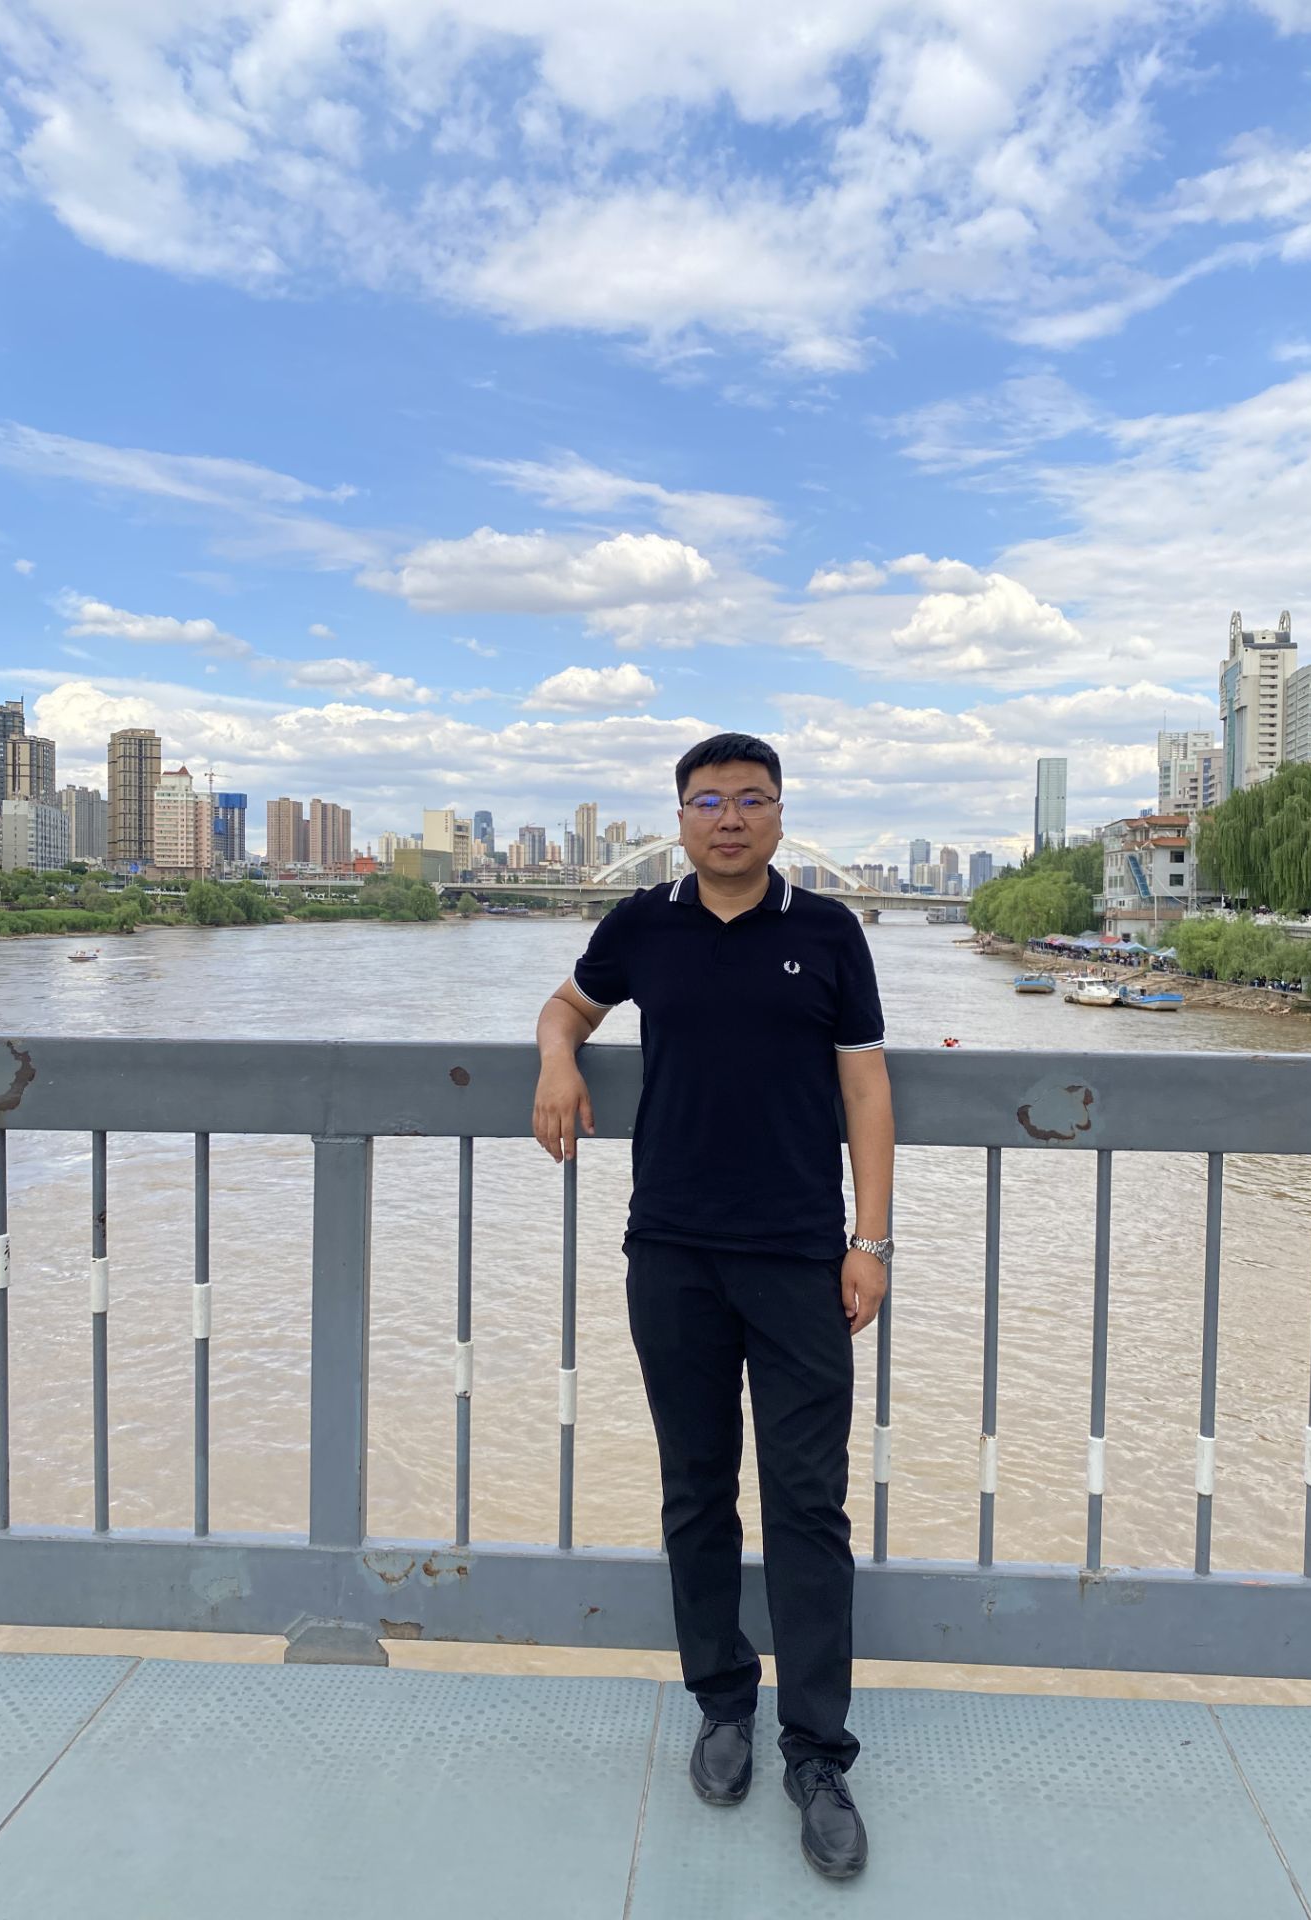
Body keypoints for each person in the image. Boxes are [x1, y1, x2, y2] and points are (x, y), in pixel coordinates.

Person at [532, 732, 894, 1883]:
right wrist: (556, 1058)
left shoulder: (828, 932)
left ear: (780, 815)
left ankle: (818, 1753)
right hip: (673, 1253)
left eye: (750, 800)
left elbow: (865, 1084)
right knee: (696, 1490)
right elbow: (568, 1006)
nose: (728, 818)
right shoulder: (643, 923)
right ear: (680, 818)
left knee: (807, 1503)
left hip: (799, 1258)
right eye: (707, 802)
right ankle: (722, 1704)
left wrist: (871, 1242)